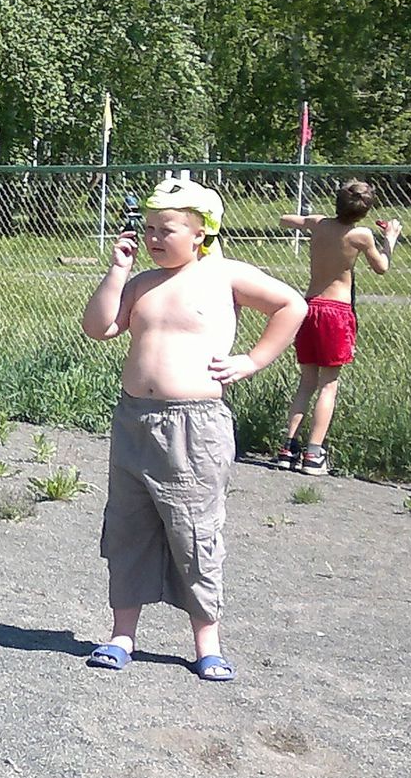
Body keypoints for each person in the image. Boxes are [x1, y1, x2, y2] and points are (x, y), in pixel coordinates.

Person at [80, 178, 307, 682]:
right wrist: (117, 271)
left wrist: (253, 360)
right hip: (135, 422)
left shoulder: (224, 275)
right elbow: (99, 328)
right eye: (149, 228)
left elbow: (292, 305)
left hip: (194, 427)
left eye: (167, 229)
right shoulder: (141, 282)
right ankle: (122, 635)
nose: (154, 238)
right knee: (129, 528)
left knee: (194, 533)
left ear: (201, 232)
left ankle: (208, 643)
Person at [276, 181, 401, 475]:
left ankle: (288, 448)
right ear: (365, 211)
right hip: (337, 312)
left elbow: (286, 220)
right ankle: (313, 454)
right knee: (328, 385)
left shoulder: (319, 224)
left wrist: (304, 221)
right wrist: (390, 238)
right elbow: (382, 267)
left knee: (306, 382)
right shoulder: (361, 235)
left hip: (309, 307)